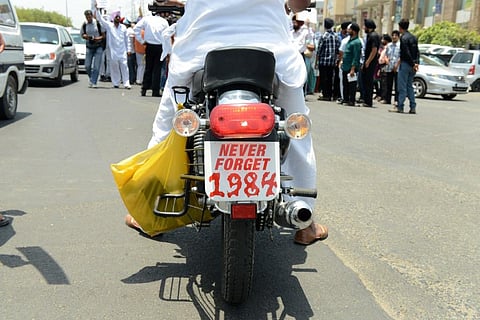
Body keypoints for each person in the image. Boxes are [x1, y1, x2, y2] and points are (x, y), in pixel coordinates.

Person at [126, 0, 329, 245]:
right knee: (295, 127)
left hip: (201, 52)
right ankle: (305, 223)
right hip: (270, 54)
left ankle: (149, 215)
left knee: (170, 123)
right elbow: (299, 3)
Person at [134, 11, 170, 97]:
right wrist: (167, 50)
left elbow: (136, 29)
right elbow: (167, 35)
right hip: (159, 46)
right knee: (157, 69)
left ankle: (144, 89)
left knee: (148, 68)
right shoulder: (164, 21)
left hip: (149, 45)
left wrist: (142, 41)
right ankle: (155, 90)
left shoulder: (146, 19)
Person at [95, 7, 131, 89]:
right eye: (116, 17)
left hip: (122, 51)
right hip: (113, 51)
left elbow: (127, 40)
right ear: (113, 18)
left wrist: (128, 50)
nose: (118, 18)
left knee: (124, 66)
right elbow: (100, 19)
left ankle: (126, 83)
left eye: (119, 17)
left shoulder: (123, 27)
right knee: (114, 67)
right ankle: (116, 83)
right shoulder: (109, 26)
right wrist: (97, 10)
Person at [390, 19, 419, 114]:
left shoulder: (403, 38)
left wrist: (411, 63)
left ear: (400, 27)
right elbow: (417, 52)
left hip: (406, 64)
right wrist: (416, 63)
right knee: (409, 86)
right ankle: (413, 106)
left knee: (401, 87)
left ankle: (400, 106)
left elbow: (405, 53)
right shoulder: (413, 37)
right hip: (413, 66)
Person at [316, 18, 339, 101]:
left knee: (323, 78)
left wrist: (316, 61)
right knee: (330, 78)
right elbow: (337, 49)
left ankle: (325, 95)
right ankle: (330, 94)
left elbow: (319, 50)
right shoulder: (335, 36)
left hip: (323, 61)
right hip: (332, 61)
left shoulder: (324, 36)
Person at [81, 10, 105, 88]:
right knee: (87, 66)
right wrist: (86, 36)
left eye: (90, 16)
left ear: (92, 16)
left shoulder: (97, 23)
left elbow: (103, 35)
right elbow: (82, 34)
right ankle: (92, 78)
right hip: (89, 46)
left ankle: (94, 81)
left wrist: (96, 38)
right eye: (87, 17)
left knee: (96, 66)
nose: (88, 18)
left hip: (98, 46)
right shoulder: (84, 24)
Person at [360, 19, 380, 108]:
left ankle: (368, 101)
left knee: (368, 81)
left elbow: (374, 50)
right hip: (367, 60)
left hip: (370, 62)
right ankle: (365, 99)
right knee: (365, 81)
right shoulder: (369, 35)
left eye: (365, 26)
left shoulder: (374, 36)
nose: (364, 28)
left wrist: (368, 61)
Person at [340, 23, 362, 107]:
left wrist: (353, 68)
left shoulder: (357, 42)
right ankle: (345, 99)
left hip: (351, 67)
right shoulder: (350, 40)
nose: (348, 31)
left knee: (352, 85)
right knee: (345, 84)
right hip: (345, 66)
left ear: (354, 31)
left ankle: (351, 100)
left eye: (350, 29)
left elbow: (356, 56)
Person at [379, 31, 400, 105]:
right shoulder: (389, 45)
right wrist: (386, 59)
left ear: (398, 37)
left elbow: (401, 56)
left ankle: (396, 100)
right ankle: (387, 99)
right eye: (393, 35)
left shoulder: (400, 45)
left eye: (396, 35)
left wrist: (397, 65)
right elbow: (386, 54)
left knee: (397, 85)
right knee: (388, 84)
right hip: (389, 66)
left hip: (397, 67)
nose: (394, 37)